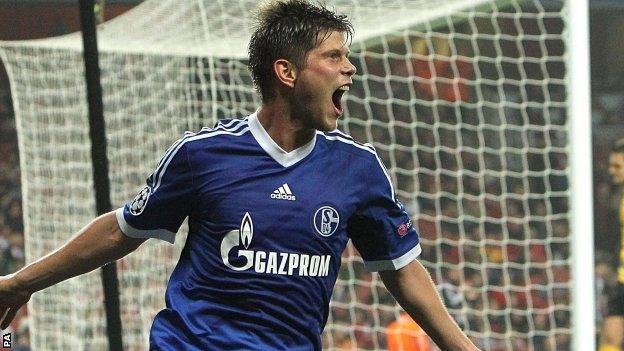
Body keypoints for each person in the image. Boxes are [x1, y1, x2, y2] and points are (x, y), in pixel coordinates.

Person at [0, 1, 479, 350]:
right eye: (333, 56)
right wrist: (22, 283)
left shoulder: (358, 168)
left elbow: (401, 268)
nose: (350, 68)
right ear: (286, 72)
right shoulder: (202, 155)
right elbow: (123, 230)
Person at [600, 139, 624, 351]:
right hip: (621, 278)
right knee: (610, 336)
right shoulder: (618, 196)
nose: (611, 170)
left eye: (617, 166)